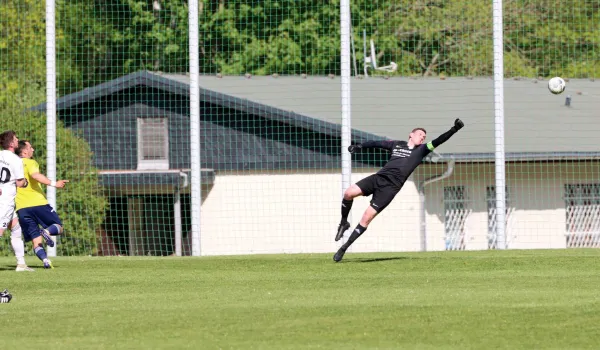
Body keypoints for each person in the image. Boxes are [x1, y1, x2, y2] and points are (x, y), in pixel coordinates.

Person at [333, 118, 465, 262]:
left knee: (366, 217)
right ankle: (344, 222)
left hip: (390, 188)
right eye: (420, 134)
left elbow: (439, 140)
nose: (422, 137)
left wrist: (454, 129)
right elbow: (377, 143)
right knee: (349, 193)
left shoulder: (422, 150)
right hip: (378, 178)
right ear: (411, 134)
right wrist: (360, 146)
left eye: (424, 137)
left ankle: (343, 248)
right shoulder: (397, 145)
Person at [15, 140, 69, 269]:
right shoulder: (30, 162)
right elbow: (36, 175)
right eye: (30, 147)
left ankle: (45, 261)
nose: (33, 149)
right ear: (24, 151)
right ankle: (46, 231)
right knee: (58, 227)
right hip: (38, 203)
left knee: (36, 239)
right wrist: (54, 183)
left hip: (22, 208)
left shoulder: (12, 164)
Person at [0, 130, 34, 271]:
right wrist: (26, 182)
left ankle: (21, 264)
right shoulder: (15, 160)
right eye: (16, 138)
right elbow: (20, 183)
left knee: (15, 227)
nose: (17, 140)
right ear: (12, 143)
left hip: (5, 198)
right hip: (6, 200)